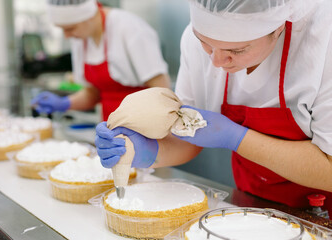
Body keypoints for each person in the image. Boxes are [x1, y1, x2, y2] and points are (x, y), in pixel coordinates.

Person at [95, 0, 332, 217]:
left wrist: (237, 138)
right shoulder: (195, 38)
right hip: (252, 205)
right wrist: (144, 151)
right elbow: (188, 139)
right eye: (204, 43)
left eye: (237, 50)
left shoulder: (323, 39)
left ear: (278, 27)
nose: (216, 62)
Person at [31, 0, 170, 121]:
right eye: (62, 29)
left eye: (70, 28)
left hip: (145, 128)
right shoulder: (81, 38)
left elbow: (162, 90)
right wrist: (63, 103)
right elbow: (93, 94)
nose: (66, 36)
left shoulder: (130, 28)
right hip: (111, 129)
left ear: (89, 16)